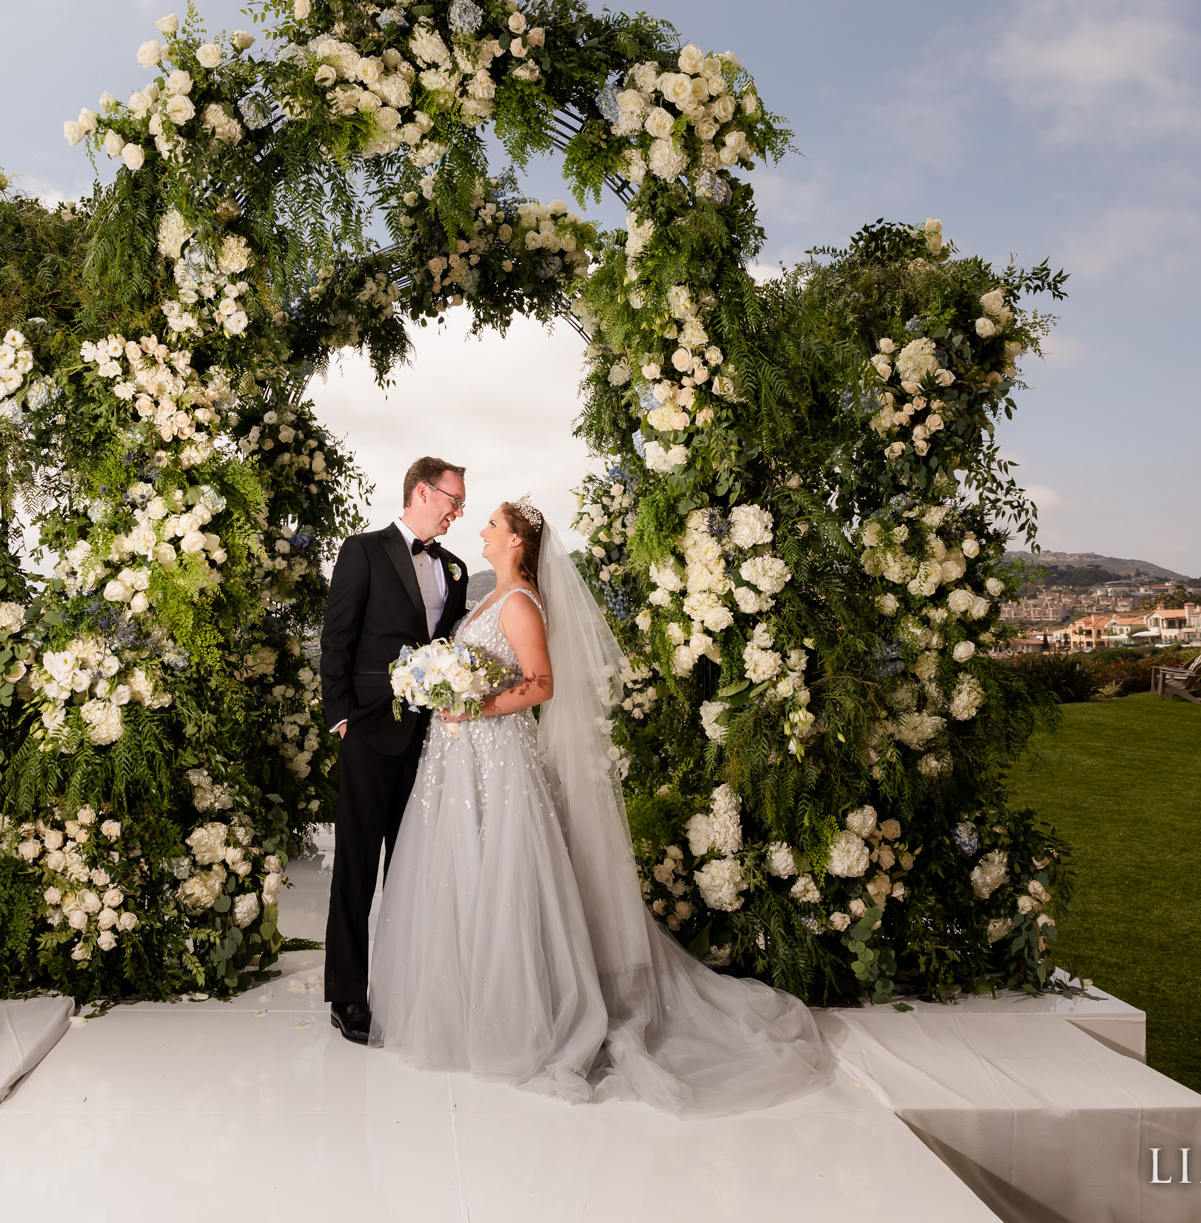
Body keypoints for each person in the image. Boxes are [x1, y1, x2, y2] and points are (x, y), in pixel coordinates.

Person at [367, 498, 833, 1117]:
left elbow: (541, 682)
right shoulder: (486, 597)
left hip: (501, 758)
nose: (481, 529)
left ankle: (526, 1013)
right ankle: (465, 1006)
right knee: (465, 872)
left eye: (493, 526)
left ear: (515, 544)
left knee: (507, 873)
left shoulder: (521, 603)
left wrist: (473, 704)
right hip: (463, 760)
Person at [318, 456, 471, 1045]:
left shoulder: (454, 570)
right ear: (422, 492)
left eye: (461, 502)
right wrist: (340, 719)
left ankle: (407, 988)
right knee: (356, 868)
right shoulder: (363, 550)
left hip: (429, 742)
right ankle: (347, 994)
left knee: (411, 870)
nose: (459, 510)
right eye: (453, 499)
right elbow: (338, 638)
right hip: (369, 731)